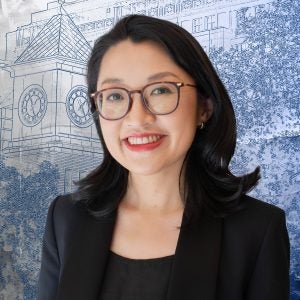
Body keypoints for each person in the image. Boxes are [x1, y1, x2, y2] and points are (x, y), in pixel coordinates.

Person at [37, 15, 290, 300]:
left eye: (160, 90)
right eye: (115, 96)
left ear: (204, 107)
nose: (137, 118)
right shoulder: (66, 218)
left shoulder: (257, 230)